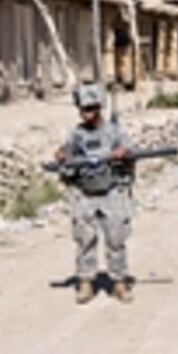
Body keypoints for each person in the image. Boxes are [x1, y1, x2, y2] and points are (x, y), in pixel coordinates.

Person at [54, 84, 135, 305]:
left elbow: (130, 151)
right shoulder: (76, 134)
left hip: (110, 191)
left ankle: (119, 282)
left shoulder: (114, 131)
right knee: (84, 240)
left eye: (90, 108)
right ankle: (86, 282)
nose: (86, 113)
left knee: (116, 239)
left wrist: (123, 153)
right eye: (83, 109)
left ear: (99, 108)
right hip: (85, 193)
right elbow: (67, 156)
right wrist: (63, 156)